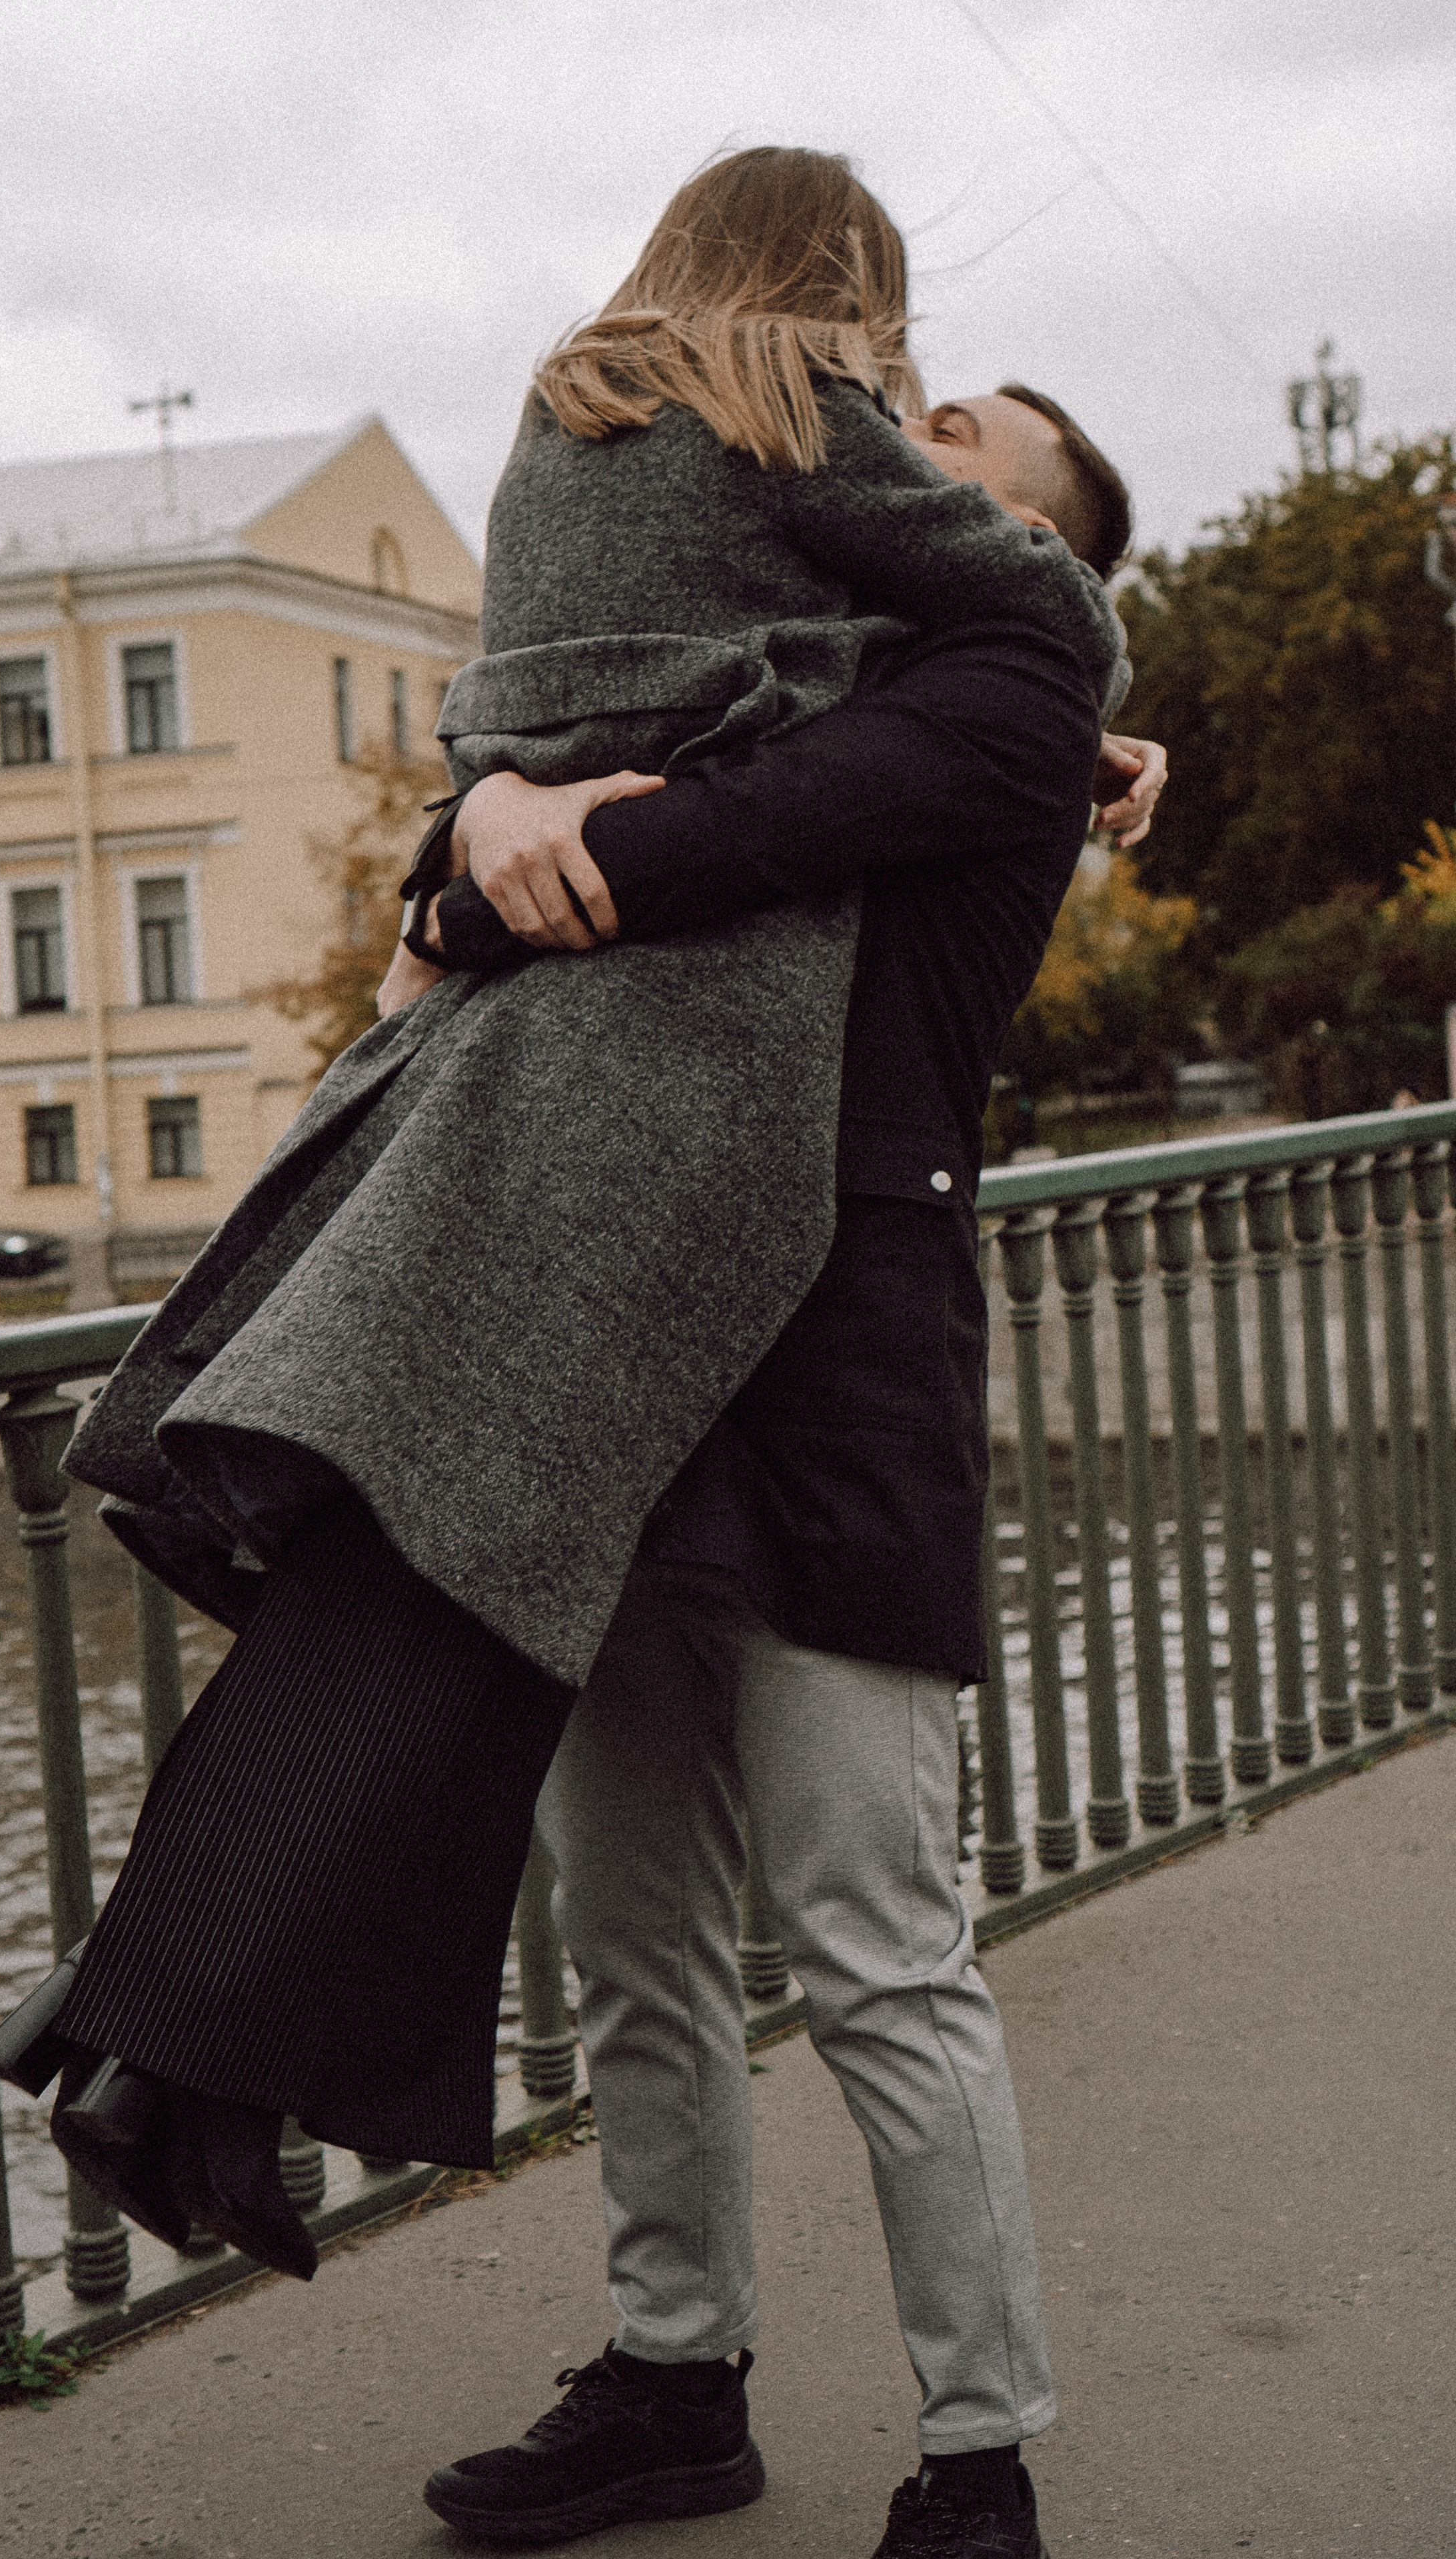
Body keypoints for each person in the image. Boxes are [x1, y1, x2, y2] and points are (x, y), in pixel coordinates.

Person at [410, 384, 1157, 2558]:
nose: (878, 434)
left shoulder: (1018, 699)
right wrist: (476, 819)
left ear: (1034, 550)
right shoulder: (773, 663)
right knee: (630, 1928)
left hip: (842, 1373)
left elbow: (688, 841)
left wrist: (499, 849)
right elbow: (552, 814)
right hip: (632, 1357)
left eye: (948, 434)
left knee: (874, 1938)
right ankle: (671, 2379)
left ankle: (981, 2450)